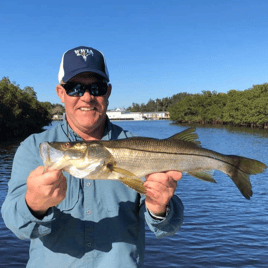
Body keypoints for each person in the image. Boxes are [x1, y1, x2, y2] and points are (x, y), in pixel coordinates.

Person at [1, 46, 184, 268]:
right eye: (75, 88)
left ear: (107, 92)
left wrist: (159, 209)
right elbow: (17, 226)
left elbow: (169, 228)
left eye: (96, 88)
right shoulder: (34, 147)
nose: (87, 97)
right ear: (61, 93)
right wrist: (34, 205)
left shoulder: (142, 147)